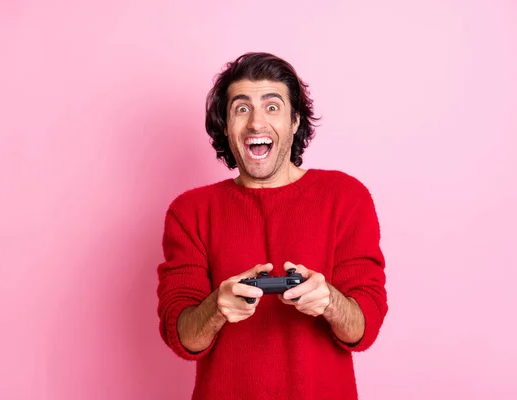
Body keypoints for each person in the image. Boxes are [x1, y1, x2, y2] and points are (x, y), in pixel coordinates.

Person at [156, 52, 388, 400]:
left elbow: (364, 329)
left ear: (295, 121)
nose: (256, 124)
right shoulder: (189, 211)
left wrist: (329, 302)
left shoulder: (347, 197)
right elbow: (183, 336)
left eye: (272, 106)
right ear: (225, 125)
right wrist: (217, 308)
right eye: (242, 108)